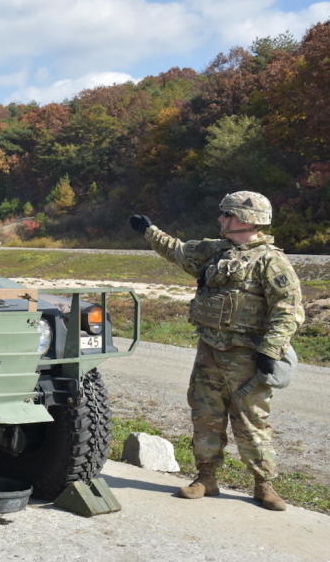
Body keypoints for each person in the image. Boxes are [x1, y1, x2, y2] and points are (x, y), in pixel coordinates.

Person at [128, 191, 304, 511]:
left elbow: (288, 309)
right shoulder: (214, 251)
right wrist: (149, 231)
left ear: (244, 219)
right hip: (209, 351)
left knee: (252, 422)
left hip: (247, 357)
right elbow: (179, 251)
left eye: (226, 214)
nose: (220, 219)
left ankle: (264, 485)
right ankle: (206, 478)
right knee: (205, 416)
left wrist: (270, 348)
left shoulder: (271, 260)